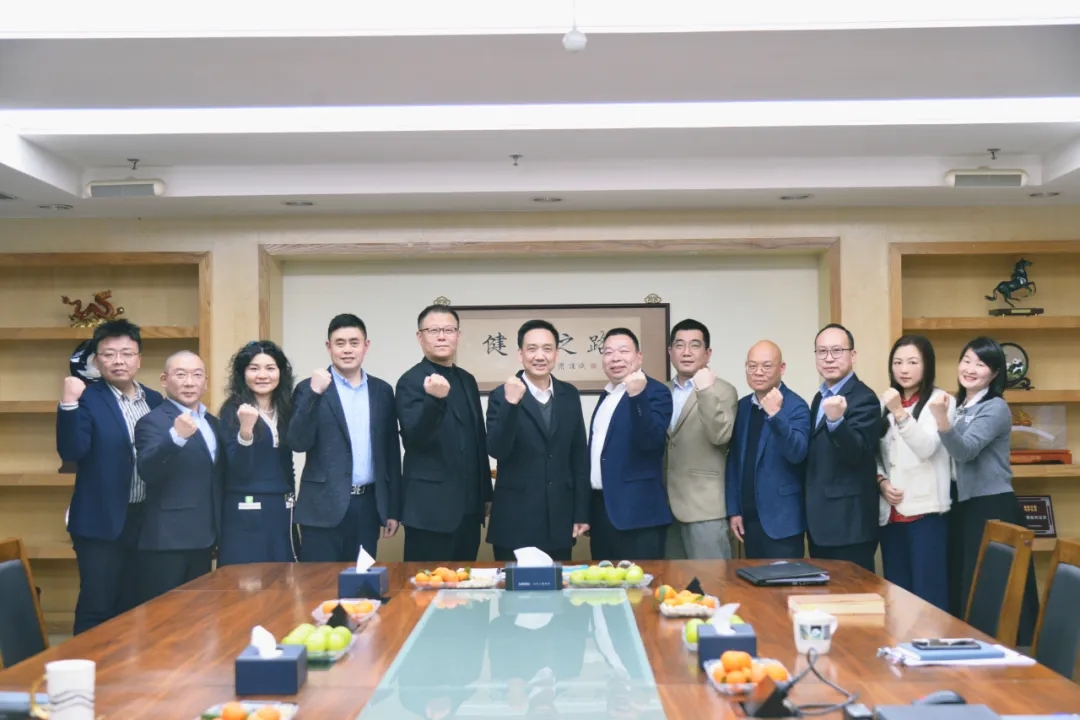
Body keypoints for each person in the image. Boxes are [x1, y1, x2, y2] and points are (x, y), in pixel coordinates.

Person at [56, 320, 163, 634]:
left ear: (139, 359)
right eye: (109, 354)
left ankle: (126, 664)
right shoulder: (87, 398)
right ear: (96, 360)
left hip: (144, 520)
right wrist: (68, 403)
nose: (119, 361)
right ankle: (87, 663)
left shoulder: (154, 400)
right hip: (100, 521)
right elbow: (72, 450)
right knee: (97, 605)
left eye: (127, 353)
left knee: (135, 606)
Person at [931, 336, 1039, 641]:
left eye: (980, 364)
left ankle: (1002, 651)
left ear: (994, 373)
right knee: (965, 580)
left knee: (992, 584)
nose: (970, 368)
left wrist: (940, 420)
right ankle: (970, 647)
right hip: (962, 504)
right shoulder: (959, 404)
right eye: (966, 360)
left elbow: (965, 451)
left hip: (991, 505)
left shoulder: (995, 407)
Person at [288, 315, 401, 562]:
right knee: (318, 583)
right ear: (328, 347)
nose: (347, 349)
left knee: (361, 582)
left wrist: (392, 508)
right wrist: (314, 393)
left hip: (368, 507)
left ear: (366, 346)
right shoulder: (308, 388)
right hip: (321, 508)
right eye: (340, 343)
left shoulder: (382, 391)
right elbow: (297, 442)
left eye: (354, 342)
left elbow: (391, 451)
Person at [485, 319, 590, 561]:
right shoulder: (501, 395)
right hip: (514, 521)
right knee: (513, 586)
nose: (540, 356)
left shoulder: (569, 394)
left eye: (547, 349)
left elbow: (578, 457)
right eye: (532, 349)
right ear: (520, 354)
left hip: (559, 520)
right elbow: (497, 449)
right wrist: (511, 404)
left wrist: (581, 512)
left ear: (557, 354)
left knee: (558, 585)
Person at [396, 305, 490, 562]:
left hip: (469, 510)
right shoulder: (411, 380)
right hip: (430, 512)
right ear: (420, 337)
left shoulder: (467, 380)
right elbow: (414, 440)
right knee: (426, 584)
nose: (441, 336)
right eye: (433, 330)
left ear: (458, 335)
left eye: (448, 330)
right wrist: (434, 401)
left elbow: (478, 440)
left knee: (466, 583)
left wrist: (485, 494)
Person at [134, 350, 223, 601]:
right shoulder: (152, 421)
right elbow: (147, 470)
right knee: (165, 613)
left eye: (197, 375)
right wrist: (176, 437)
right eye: (181, 375)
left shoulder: (213, 422)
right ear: (164, 380)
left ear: (206, 382)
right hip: (168, 540)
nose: (189, 382)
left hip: (205, 537)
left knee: (199, 611)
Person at [876, 335, 953, 610]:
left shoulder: (941, 401)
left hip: (926, 515)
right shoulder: (885, 404)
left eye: (912, 362)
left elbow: (927, 447)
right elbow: (877, 455)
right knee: (897, 600)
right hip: (891, 516)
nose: (904, 369)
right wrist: (881, 482)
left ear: (927, 364)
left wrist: (899, 412)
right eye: (897, 362)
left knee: (928, 599)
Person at [588, 328, 673, 561]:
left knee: (642, 583)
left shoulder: (656, 391)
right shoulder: (607, 395)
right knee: (602, 582)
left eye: (623, 351)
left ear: (639, 356)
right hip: (602, 513)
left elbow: (651, 442)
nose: (615, 358)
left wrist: (637, 396)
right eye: (608, 352)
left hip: (638, 517)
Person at [805, 323, 882, 572]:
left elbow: (858, 453)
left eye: (837, 351)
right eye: (822, 351)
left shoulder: (864, 398)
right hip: (820, 524)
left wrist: (837, 422)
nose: (829, 358)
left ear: (853, 355)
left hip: (850, 525)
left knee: (854, 593)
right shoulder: (820, 397)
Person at [663, 319, 738, 559]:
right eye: (679, 345)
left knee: (711, 579)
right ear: (670, 352)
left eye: (695, 345)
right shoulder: (661, 391)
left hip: (705, 508)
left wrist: (705, 390)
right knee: (672, 581)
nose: (686, 352)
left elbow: (720, 436)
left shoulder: (723, 390)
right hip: (665, 508)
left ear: (708, 353)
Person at [727, 340, 810, 559]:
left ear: (781, 368)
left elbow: (797, 453)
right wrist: (734, 510)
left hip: (782, 522)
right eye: (752, 366)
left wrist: (776, 415)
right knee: (751, 580)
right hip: (748, 520)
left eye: (766, 366)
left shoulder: (796, 405)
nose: (758, 372)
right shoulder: (743, 406)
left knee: (784, 580)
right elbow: (734, 460)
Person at [217, 340, 297, 565]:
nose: (262, 375)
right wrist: (246, 431)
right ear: (242, 373)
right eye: (254, 368)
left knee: (284, 577)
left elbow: (287, 463)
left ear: (281, 372)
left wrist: (292, 497)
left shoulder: (286, 409)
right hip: (245, 508)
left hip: (281, 507)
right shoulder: (232, 410)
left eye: (270, 368)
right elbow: (238, 468)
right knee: (245, 578)